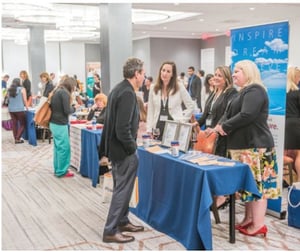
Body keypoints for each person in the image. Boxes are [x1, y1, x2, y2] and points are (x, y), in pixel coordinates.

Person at [214, 60, 280, 237]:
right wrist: (219, 126)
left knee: (257, 188)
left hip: (255, 147)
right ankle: (248, 219)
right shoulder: (241, 92)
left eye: (237, 71)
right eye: (234, 71)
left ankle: (258, 225)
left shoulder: (256, 90)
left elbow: (247, 115)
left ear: (248, 72)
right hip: (243, 148)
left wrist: (225, 127)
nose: (233, 74)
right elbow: (229, 114)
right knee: (248, 188)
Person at [99, 57, 145, 244]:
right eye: (143, 73)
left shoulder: (119, 88)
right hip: (123, 151)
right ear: (136, 74)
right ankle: (110, 230)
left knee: (123, 189)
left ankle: (123, 221)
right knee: (122, 191)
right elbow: (122, 128)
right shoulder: (127, 93)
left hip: (116, 149)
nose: (144, 77)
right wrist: (132, 148)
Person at [195, 66, 237, 208]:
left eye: (220, 75)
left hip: (221, 135)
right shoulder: (214, 93)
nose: (216, 77)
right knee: (210, 164)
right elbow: (207, 113)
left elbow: (227, 114)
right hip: (209, 134)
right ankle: (214, 194)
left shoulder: (231, 93)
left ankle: (222, 196)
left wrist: (216, 128)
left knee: (220, 166)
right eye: (215, 74)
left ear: (226, 78)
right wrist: (197, 123)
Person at [147, 61, 194, 140]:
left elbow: (191, 106)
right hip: (157, 128)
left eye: (168, 71)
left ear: (172, 74)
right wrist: (149, 129)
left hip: (174, 128)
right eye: (163, 70)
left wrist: (182, 120)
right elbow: (150, 110)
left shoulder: (179, 86)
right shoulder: (153, 87)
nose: (164, 73)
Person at [49, 77, 80, 178]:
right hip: (60, 124)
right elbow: (67, 110)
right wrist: (75, 108)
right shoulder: (65, 93)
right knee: (64, 148)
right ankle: (62, 171)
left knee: (58, 148)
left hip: (54, 122)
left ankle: (58, 169)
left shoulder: (57, 91)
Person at [284, 66, 300, 182]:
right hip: (295, 124)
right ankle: (298, 181)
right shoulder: (297, 93)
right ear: (295, 77)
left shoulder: (281, 93)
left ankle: (282, 178)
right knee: (299, 153)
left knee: (282, 152)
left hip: (282, 123)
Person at [7, 78, 28, 144]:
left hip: (11, 109)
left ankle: (16, 138)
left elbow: (8, 100)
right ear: (19, 82)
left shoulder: (9, 89)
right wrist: (27, 107)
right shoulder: (22, 89)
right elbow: (25, 100)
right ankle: (17, 138)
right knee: (23, 124)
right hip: (19, 109)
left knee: (14, 124)